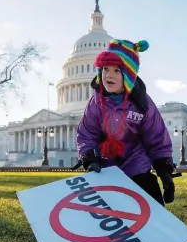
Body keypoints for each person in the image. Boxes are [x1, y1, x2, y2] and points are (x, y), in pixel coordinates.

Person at [73, 39, 177, 206]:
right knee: (107, 212)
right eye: (105, 69)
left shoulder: (143, 104)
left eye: (116, 70)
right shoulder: (95, 103)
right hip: (106, 167)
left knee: (152, 208)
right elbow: (87, 133)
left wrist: (164, 169)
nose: (109, 75)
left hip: (138, 165)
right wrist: (91, 159)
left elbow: (157, 137)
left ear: (128, 76)